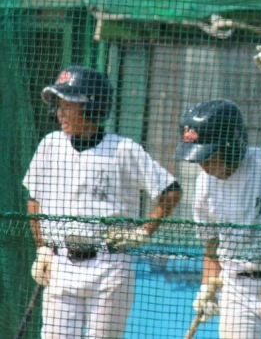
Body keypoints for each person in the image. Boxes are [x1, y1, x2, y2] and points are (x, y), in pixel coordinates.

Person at [24, 65, 182, 338]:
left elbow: (171, 191)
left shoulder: (123, 149)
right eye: (59, 105)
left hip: (109, 264)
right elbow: (34, 200)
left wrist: (143, 232)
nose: (60, 113)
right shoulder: (50, 145)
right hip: (61, 263)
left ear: (92, 106)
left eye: (68, 105)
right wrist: (43, 249)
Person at [175, 45, 261, 339]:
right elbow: (211, 245)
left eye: (208, 156)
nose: (202, 164)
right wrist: (207, 285)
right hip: (236, 287)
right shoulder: (203, 184)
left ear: (231, 145)